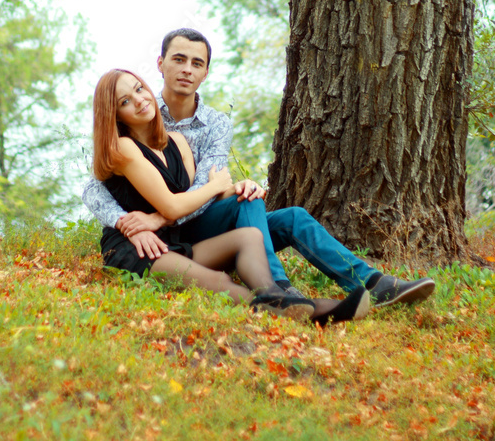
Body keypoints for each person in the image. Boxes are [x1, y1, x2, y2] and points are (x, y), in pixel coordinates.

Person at [83, 29, 435, 310]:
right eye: (179, 59)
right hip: (168, 233)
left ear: (205, 72)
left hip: (195, 222)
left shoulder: (215, 125)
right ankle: (281, 290)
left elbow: (209, 184)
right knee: (244, 200)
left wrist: (163, 216)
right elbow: (94, 187)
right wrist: (126, 223)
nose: (187, 69)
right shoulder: (134, 116)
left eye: (196, 63)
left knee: (284, 212)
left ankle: (374, 283)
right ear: (160, 64)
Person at [92, 67, 371, 326]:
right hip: (140, 249)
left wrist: (236, 188)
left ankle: (278, 295)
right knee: (220, 282)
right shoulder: (124, 147)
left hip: (177, 238)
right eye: (125, 101)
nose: (139, 100)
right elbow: (172, 206)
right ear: (115, 116)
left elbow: (195, 199)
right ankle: (316, 311)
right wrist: (216, 186)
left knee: (250, 236)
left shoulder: (177, 142)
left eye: (139, 88)